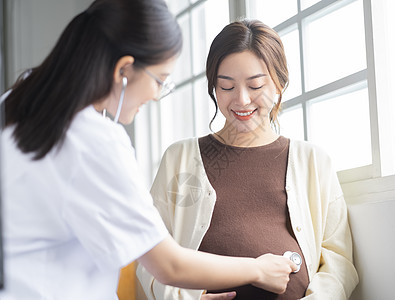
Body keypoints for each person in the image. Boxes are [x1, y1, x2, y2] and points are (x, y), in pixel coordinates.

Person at [0, 2, 297, 299]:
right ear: (124, 69)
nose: (156, 96)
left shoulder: (15, 104)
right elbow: (168, 265)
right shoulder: (95, 141)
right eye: (160, 81)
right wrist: (258, 269)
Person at [137, 19, 359, 300]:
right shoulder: (179, 159)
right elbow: (150, 253)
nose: (241, 100)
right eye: (226, 87)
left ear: (279, 84)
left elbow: (339, 262)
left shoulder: (314, 161)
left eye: (255, 86)